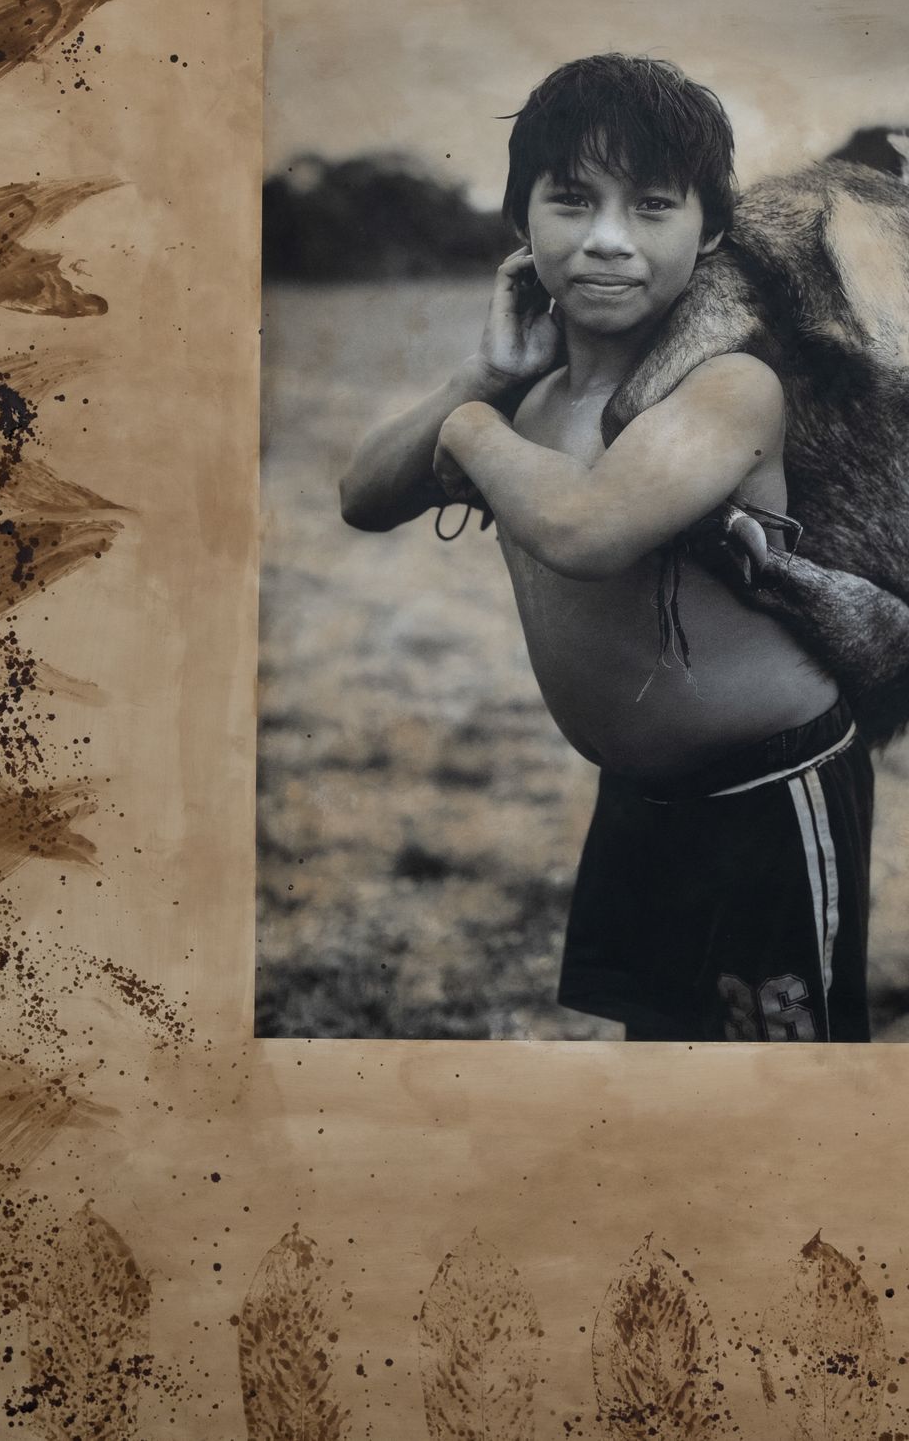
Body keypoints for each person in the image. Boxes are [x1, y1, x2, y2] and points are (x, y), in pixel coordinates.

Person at [339, 54, 874, 1042]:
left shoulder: (726, 387)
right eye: (573, 202)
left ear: (709, 229)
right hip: (641, 798)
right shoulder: (529, 399)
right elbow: (363, 497)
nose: (608, 242)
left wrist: (467, 430)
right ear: (520, 220)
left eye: (653, 207)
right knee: (666, 1052)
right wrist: (481, 377)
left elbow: (587, 526)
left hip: (763, 801)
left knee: (780, 1085)